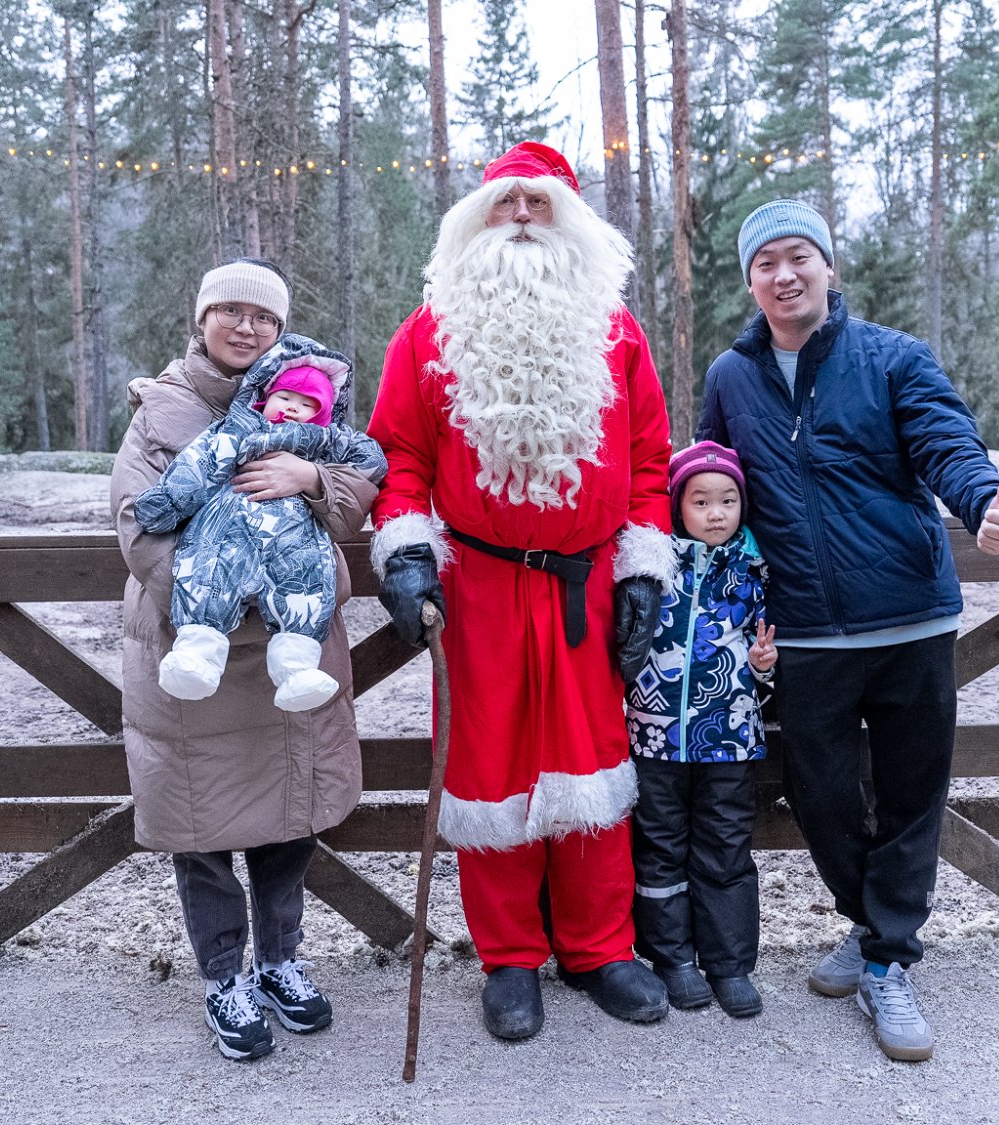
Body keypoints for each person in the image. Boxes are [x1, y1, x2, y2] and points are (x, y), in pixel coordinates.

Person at [697, 199, 999, 1063]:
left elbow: (950, 447)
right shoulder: (731, 377)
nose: (784, 274)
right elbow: (712, 486)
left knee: (914, 793)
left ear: (828, 267)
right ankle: (872, 923)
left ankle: (886, 956)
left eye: (799, 255)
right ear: (750, 280)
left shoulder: (892, 357)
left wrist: (991, 507)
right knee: (820, 796)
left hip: (911, 616)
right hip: (802, 628)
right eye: (765, 262)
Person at [365, 141, 676, 1041]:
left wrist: (644, 567)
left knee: (594, 769)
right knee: (486, 767)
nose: (523, 218)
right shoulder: (428, 333)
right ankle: (509, 959)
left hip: (586, 588)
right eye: (508, 204)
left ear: (570, 219)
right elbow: (402, 458)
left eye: (540, 205)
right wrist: (406, 552)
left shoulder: (617, 331)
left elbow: (651, 460)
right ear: (478, 217)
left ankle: (600, 947)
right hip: (482, 589)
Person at [110, 258, 377, 1062]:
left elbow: (361, 484)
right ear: (201, 320)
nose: (246, 327)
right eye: (229, 311)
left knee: (287, 817)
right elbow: (137, 523)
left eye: (261, 316)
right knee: (202, 824)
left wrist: (309, 476)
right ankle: (224, 973)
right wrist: (222, 603)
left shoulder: (310, 395)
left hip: (292, 652)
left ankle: (281, 960)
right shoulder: (160, 409)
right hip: (199, 644)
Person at [132, 343, 385, 708]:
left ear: (324, 413)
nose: (293, 407)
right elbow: (202, 463)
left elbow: (372, 461)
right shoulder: (239, 430)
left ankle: (296, 667)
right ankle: (197, 654)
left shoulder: (327, 444)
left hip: (296, 538)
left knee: (308, 581)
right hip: (227, 527)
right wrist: (170, 501)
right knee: (207, 571)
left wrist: (318, 456)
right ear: (263, 394)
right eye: (284, 395)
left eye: (308, 403)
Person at [623, 440, 778, 1019]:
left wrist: (765, 666)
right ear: (676, 506)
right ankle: (673, 959)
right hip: (655, 734)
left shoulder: (754, 569)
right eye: (701, 500)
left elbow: (766, 655)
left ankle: (730, 964)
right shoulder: (651, 565)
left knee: (725, 847)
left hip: (729, 735)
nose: (716, 512)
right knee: (660, 847)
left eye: (728, 499)